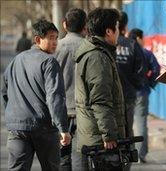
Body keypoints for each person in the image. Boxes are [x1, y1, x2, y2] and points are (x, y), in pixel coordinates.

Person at [1, 19, 71, 171]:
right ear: (38, 39)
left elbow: (4, 91)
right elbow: (55, 97)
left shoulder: (16, 60)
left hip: (17, 129)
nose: (55, 42)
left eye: (56, 38)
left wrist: (12, 114)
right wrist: (63, 128)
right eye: (51, 38)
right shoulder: (49, 62)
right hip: (43, 127)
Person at [74, 8, 125, 170]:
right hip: (101, 141)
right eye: (117, 28)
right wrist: (109, 135)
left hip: (97, 135)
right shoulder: (97, 57)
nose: (119, 33)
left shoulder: (96, 52)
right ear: (109, 31)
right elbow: (100, 99)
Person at [55, 8, 87, 171]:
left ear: (65, 25)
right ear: (85, 27)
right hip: (84, 112)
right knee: (80, 158)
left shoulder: (55, 48)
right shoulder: (90, 48)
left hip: (60, 111)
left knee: (62, 157)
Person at [128, 28, 160, 163]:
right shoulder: (145, 53)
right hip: (141, 92)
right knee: (141, 123)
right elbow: (156, 69)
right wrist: (150, 83)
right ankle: (140, 154)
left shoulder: (123, 52)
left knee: (127, 124)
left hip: (126, 93)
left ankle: (127, 153)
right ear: (139, 39)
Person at [116, 12, 146, 145]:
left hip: (109, 98)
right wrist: (134, 85)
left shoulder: (105, 44)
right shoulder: (132, 44)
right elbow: (141, 70)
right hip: (128, 96)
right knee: (127, 131)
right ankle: (126, 162)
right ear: (126, 26)